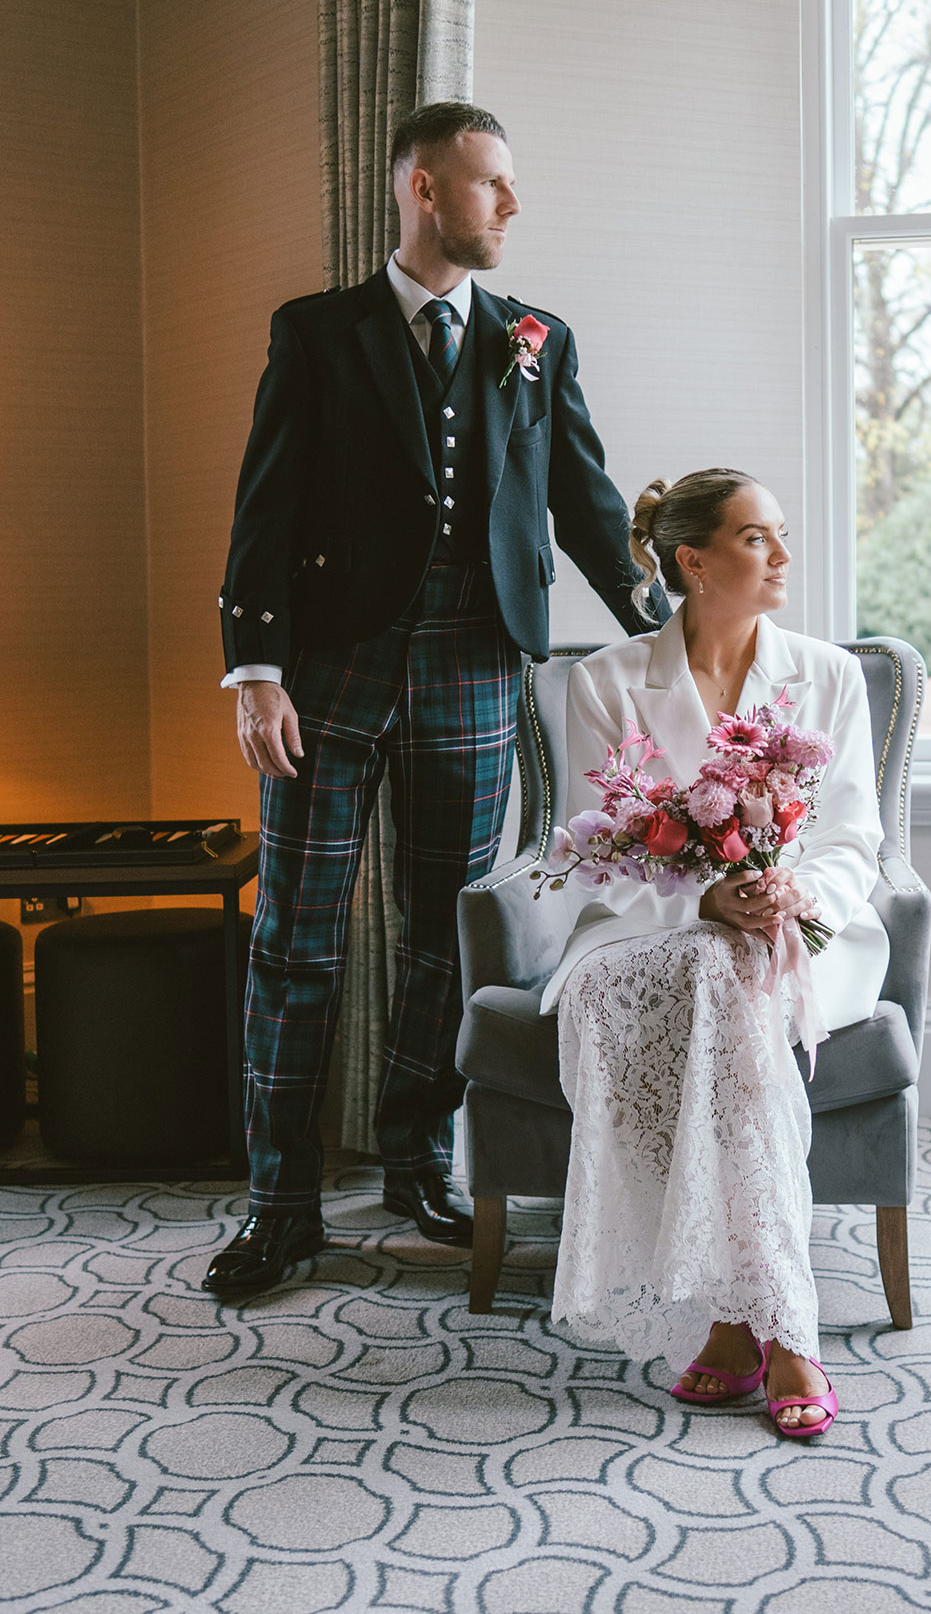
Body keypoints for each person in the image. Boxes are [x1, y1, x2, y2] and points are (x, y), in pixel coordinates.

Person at [204, 101, 667, 1296]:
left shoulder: (534, 340)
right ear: (422, 187)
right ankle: (279, 1206)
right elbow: (266, 507)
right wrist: (256, 671)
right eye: (489, 182)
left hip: (475, 665)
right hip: (331, 672)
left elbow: (586, 502)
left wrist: (666, 631)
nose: (511, 204)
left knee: (442, 941)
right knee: (295, 941)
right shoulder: (319, 332)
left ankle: (414, 1163)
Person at [540, 469, 888, 1435]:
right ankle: (779, 1324)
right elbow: (597, 848)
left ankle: (743, 1322)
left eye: (780, 534)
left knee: (727, 973)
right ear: (693, 562)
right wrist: (702, 898)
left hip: (799, 929)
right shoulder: (607, 681)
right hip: (643, 934)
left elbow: (853, 836)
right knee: (708, 965)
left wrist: (789, 900)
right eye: (756, 538)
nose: (782, 556)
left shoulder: (827, 674)